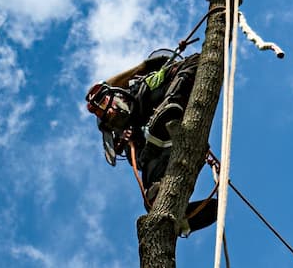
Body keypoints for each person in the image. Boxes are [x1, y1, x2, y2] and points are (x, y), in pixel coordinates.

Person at [86, 51, 217, 233]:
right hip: (163, 149)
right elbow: (141, 164)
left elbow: (192, 63)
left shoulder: (141, 90)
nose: (110, 115)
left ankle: (172, 106)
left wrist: (144, 67)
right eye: (109, 119)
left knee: (191, 65)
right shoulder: (131, 142)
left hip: (174, 117)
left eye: (108, 109)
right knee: (152, 197)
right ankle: (181, 217)